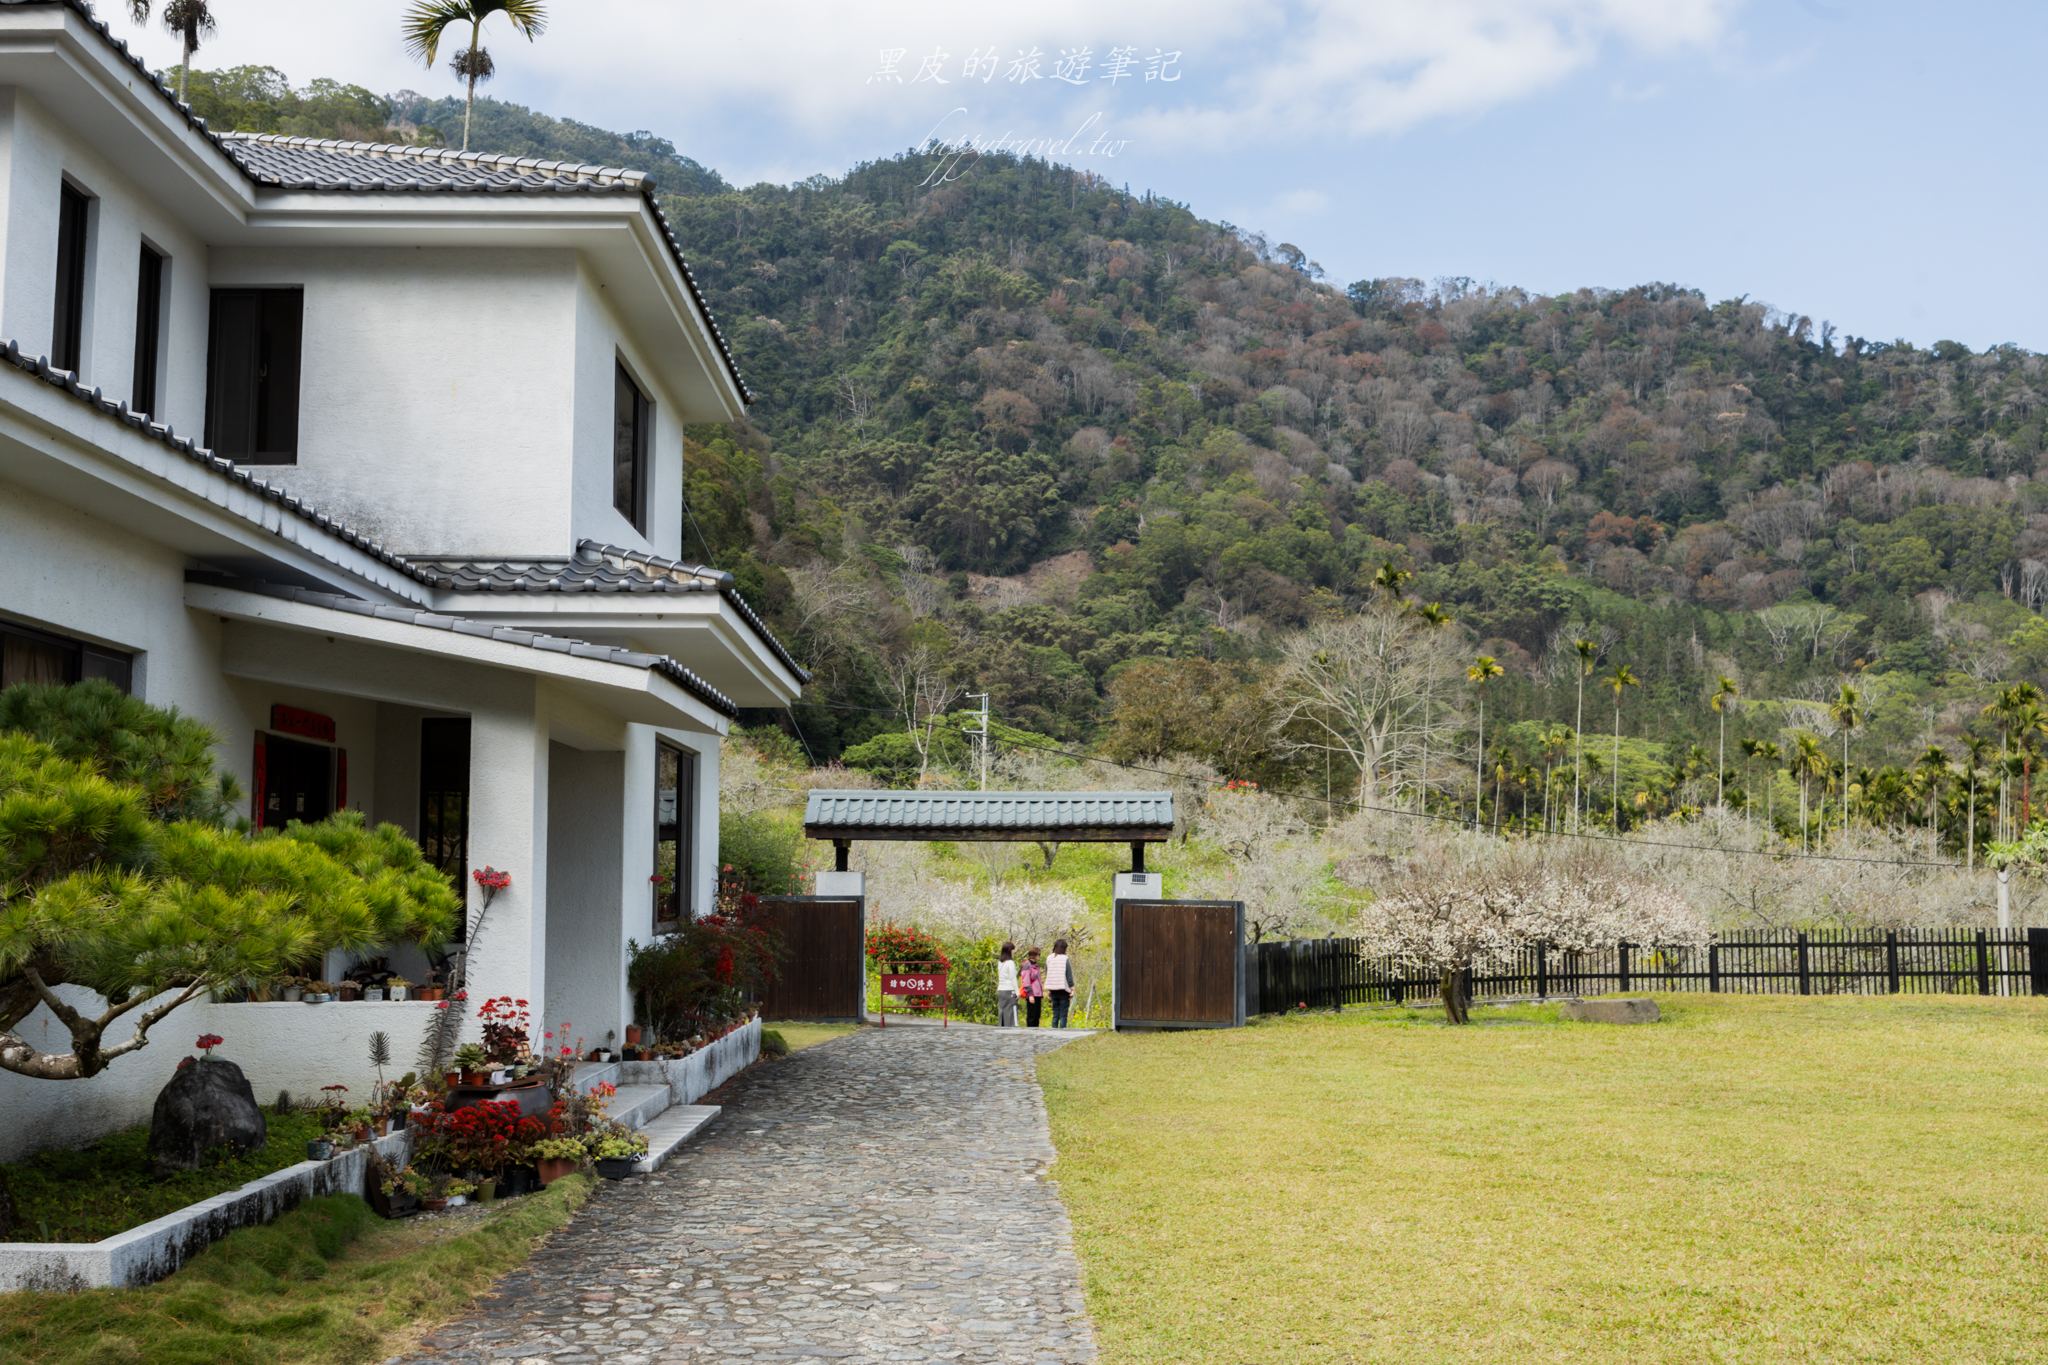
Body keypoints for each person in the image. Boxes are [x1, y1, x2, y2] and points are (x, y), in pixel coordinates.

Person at [1046, 937, 1077, 1029]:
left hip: (1053, 989)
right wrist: (1072, 988)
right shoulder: (1065, 958)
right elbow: (1069, 975)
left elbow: (1048, 972)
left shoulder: (1049, 958)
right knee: (1063, 1013)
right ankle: (1062, 1031)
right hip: (1063, 989)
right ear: (1064, 948)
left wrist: (1049, 989)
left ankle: (1054, 1029)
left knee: (1055, 1013)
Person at [1019, 947, 1044, 1028]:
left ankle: (1036, 1033)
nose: (1039, 957)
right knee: (1031, 1016)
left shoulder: (1035, 965)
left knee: (1037, 1015)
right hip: (1032, 994)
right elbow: (1026, 981)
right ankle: (1030, 1034)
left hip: (1038, 994)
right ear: (1034, 955)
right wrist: (1030, 995)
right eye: (1038, 955)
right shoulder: (1027, 965)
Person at [995, 941, 1018, 1027]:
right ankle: (1009, 1029)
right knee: (1010, 1011)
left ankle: (1001, 1028)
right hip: (1009, 990)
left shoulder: (1000, 962)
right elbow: (1013, 978)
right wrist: (1017, 992)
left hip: (1001, 990)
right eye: (1013, 950)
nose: (1013, 952)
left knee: (1002, 1011)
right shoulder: (1010, 963)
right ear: (1009, 951)